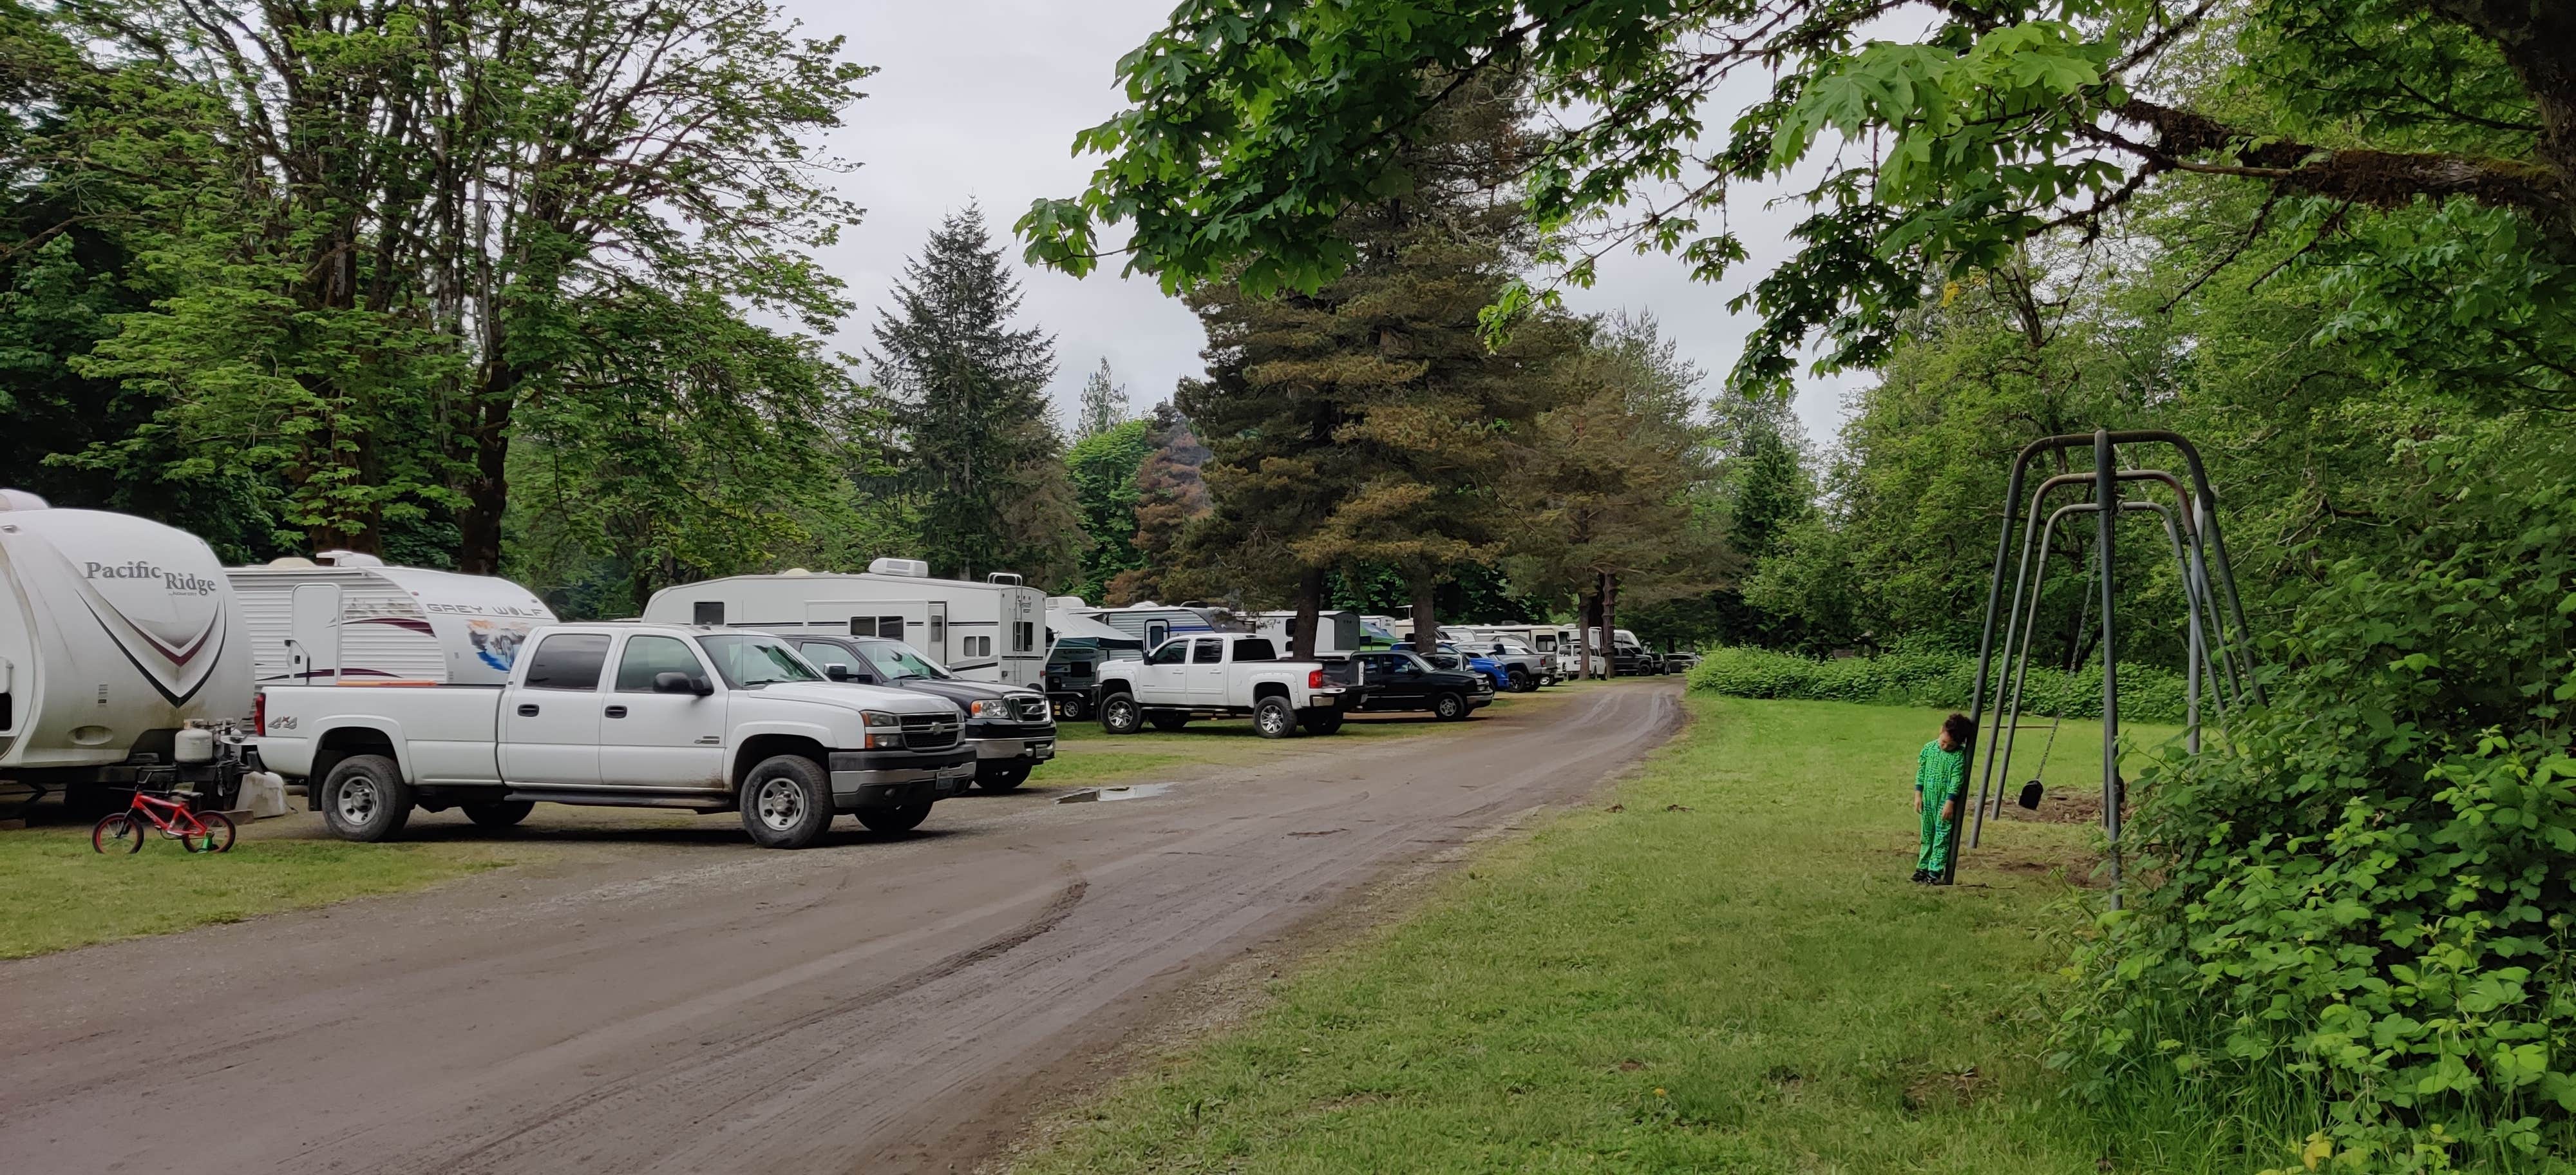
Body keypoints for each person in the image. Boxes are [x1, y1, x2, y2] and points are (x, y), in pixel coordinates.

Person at [1913, 713, 1974, 884]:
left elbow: (1957, 780)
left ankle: (1934, 871)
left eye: (1951, 745)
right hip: (1928, 800)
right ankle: (1922, 867)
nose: (1945, 747)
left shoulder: (1958, 757)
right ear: (1941, 731)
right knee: (1927, 834)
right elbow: (1921, 772)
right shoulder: (1929, 749)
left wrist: (1950, 802)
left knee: (1941, 836)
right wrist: (1918, 794)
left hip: (1944, 804)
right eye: (1943, 742)